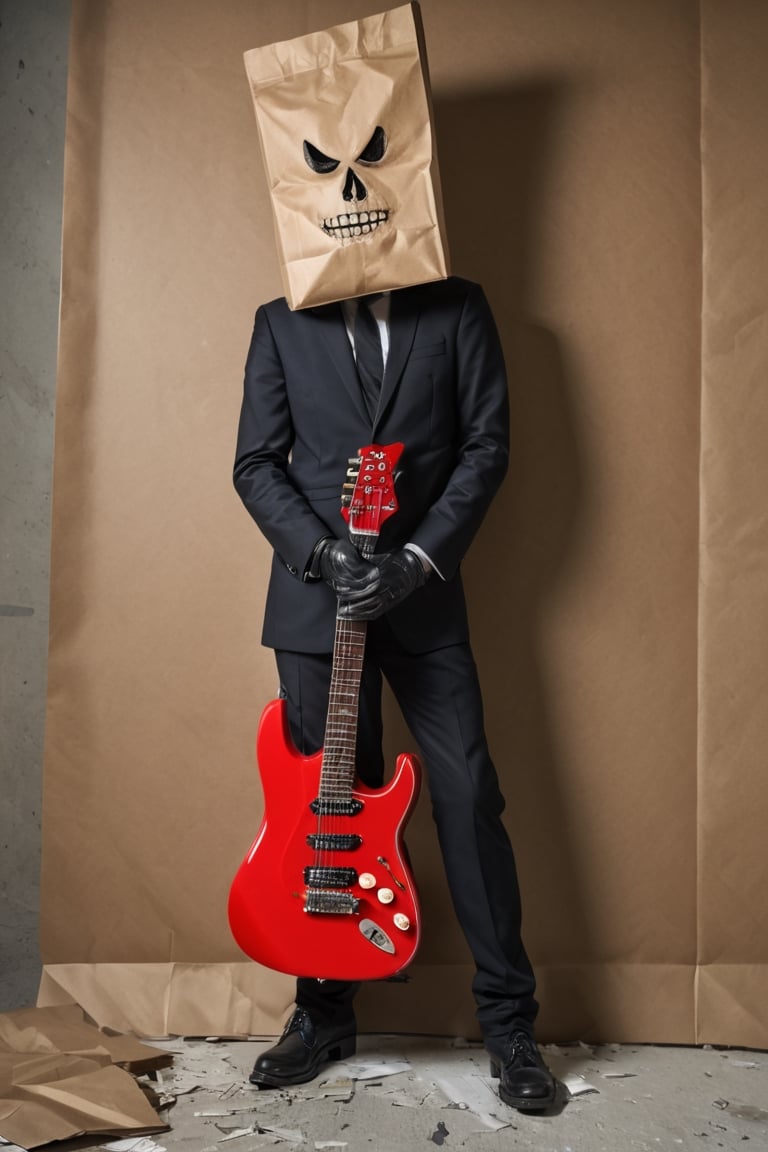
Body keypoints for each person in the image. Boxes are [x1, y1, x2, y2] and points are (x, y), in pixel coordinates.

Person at [232, 278, 557, 1111]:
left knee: (468, 794)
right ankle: (322, 1015)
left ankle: (510, 1026)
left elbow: (487, 445)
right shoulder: (280, 324)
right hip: (314, 608)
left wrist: (417, 561)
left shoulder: (458, 307)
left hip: (425, 600)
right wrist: (319, 553)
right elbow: (257, 462)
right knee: (325, 806)